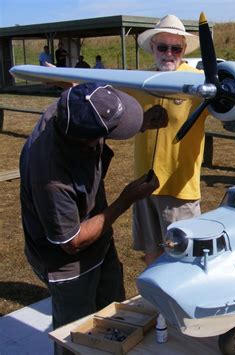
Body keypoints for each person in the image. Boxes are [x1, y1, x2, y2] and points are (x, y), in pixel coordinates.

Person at [19, 82, 165, 337]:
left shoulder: (67, 109)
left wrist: (139, 122)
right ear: (88, 139)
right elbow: (71, 242)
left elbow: (94, 113)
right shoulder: (52, 179)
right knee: (77, 335)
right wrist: (126, 199)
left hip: (99, 242)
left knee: (115, 321)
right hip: (69, 266)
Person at [132, 14, 206, 266]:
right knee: (151, 254)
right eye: (162, 47)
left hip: (179, 189)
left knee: (185, 260)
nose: (169, 53)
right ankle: (156, 303)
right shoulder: (139, 81)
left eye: (175, 48)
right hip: (144, 186)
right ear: (152, 48)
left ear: (183, 50)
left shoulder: (198, 82)